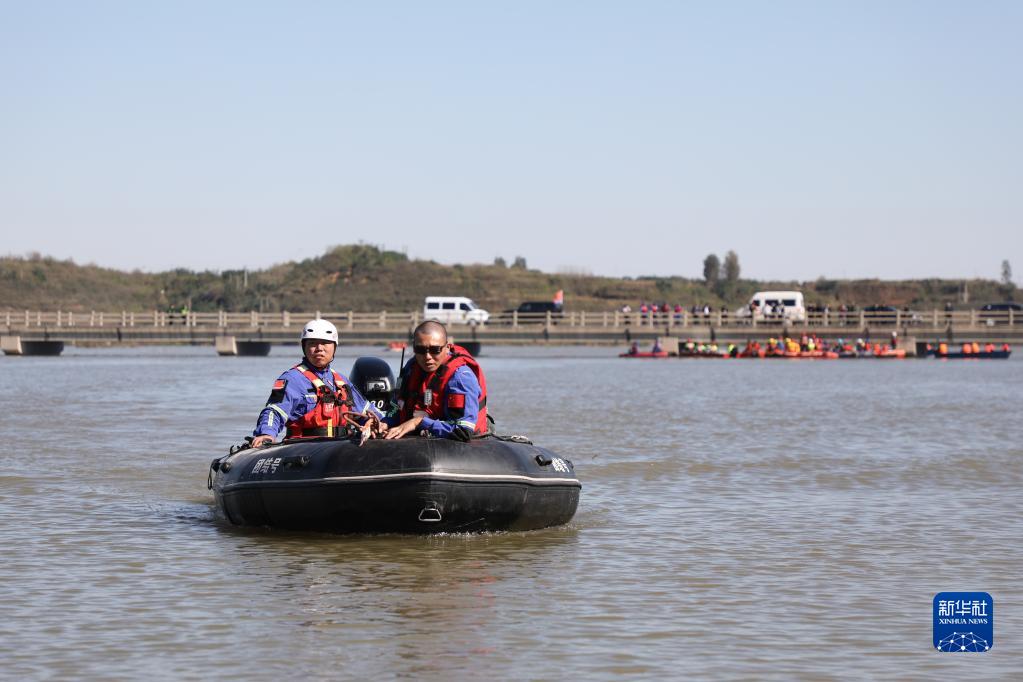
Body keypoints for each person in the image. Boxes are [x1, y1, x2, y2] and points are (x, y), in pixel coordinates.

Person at [250, 319, 383, 447]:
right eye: (313, 343)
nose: (319, 348)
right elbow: (275, 411)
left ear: (334, 347)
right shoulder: (292, 379)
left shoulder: (341, 381)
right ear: (304, 347)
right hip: (304, 448)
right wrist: (266, 434)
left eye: (325, 343)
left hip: (343, 444)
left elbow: (368, 411)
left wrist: (378, 423)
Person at [385, 321, 487, 441]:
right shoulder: (411, 368)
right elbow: (396, 407)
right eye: (420, 349)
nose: (427, 356)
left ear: (447, 347)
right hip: (419, 438)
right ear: (413, 348)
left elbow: (463, 432)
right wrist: (384, 423)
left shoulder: (461, 378)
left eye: (435, 349)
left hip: (460, 444)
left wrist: (418, 422)